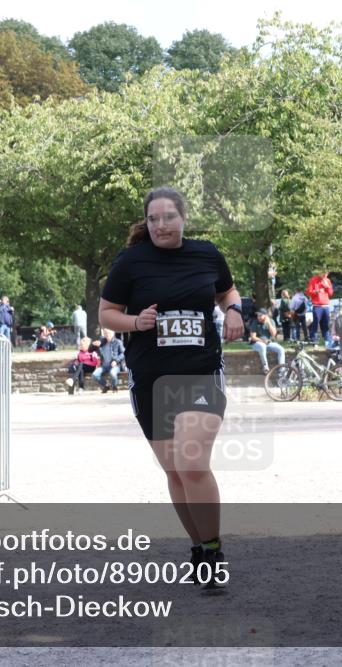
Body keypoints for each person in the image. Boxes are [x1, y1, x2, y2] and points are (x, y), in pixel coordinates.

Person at [98, 187, 243, 588]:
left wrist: (233, 311)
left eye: (168, 217)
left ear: (183, 218)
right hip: (150, 379)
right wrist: (136, 323)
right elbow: (107, 314)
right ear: (146, 223)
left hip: (200, 372)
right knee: (175, 472)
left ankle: (213, 548)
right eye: (153, 219)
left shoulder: (207, 254)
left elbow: (226, 290)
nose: (161, 225)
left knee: (192, 463)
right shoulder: (131, 262)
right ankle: (197, 545)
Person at [92, 328, 126, 393]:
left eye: (108, 333)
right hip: (104, 366)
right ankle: (106, 386)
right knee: (94, 375)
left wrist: (116, 361)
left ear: (113, 333)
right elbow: (91, 349)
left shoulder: (117, 342)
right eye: (105, 333)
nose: (107, 335)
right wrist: (93, 345)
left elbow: (124, 353)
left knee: (112, 373)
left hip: (115, 366)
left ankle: (114, 387)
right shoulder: (102, 342)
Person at [307, 271, 333, 344]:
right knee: (315, 324)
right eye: (324, 273)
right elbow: (309, 292)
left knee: (326, 325)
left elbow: (331, 293)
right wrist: (317, 291)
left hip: (326, 305)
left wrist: (327, 287)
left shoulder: (327, 280)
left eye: (326, 274)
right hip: (317, 306)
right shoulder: (314, 280)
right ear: (319, 273)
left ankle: (327, 342)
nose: (325, 275)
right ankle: (314, 341)